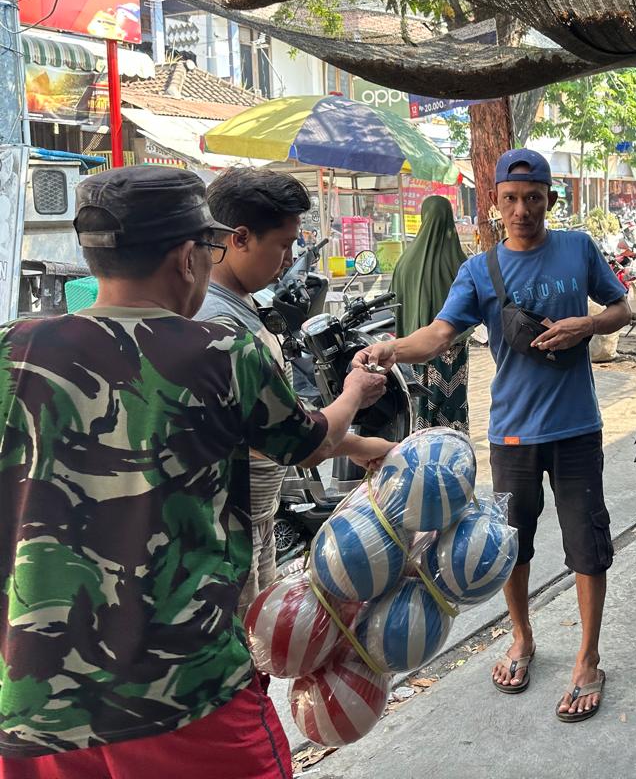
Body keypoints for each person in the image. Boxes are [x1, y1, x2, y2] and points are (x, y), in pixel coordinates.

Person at [0, 166, 391, 778]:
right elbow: (307, 442)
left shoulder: (12, 350)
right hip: (180, 689)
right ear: (188, 257)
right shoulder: (222, 351)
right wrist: (353, 395)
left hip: (34, 696)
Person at [357, 150, 631, 723]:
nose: (522, 209)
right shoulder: (479, 271)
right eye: (511, 199)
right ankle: (522, 637)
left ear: (550, 199)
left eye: (533, 198)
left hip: (578, 429)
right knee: (511, 545)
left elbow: (621, 308)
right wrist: (390, 349)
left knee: (588, 545)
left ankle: (588, 657)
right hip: (511, 435)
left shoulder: (578, 248)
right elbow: (438, 335)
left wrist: (587, 324)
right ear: (495, 204)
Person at [197, 167, 314, 617]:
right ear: (240, 238)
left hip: (258, 515)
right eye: (283, 245)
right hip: (230, 524)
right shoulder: (216, 321)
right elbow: (293, 438)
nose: (288, 258)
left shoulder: (244, 300)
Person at [392, 195, 472, 434]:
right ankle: (452, 439)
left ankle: (422, 437)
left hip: (414, 347)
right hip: (451, 347)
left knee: (421, 398)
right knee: (451, 402)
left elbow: (395, 303)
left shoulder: (405, 262)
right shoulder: (459, 262)